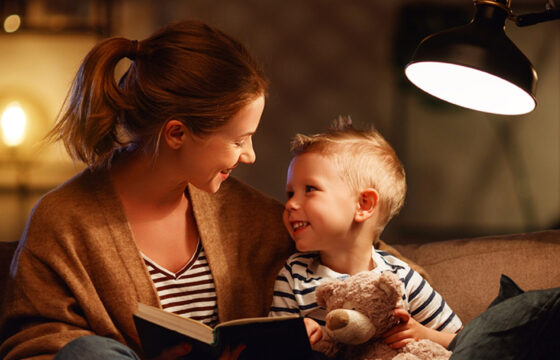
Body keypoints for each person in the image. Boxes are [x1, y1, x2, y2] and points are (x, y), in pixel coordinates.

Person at [0, 20, 429, 360]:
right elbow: (34, 345)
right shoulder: (64, 220)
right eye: (239, 139)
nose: (250, 157)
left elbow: (363, 257)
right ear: (176, 134)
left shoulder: (252, 219)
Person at [269, 117, 463, 350]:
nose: (290, 204)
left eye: (310, 189)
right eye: (290, 193)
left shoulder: (401, 278)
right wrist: (297, 336)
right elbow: (271, 346)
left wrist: (423, 334)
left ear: (364, 204)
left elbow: (465, 340)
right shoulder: (294, 275)